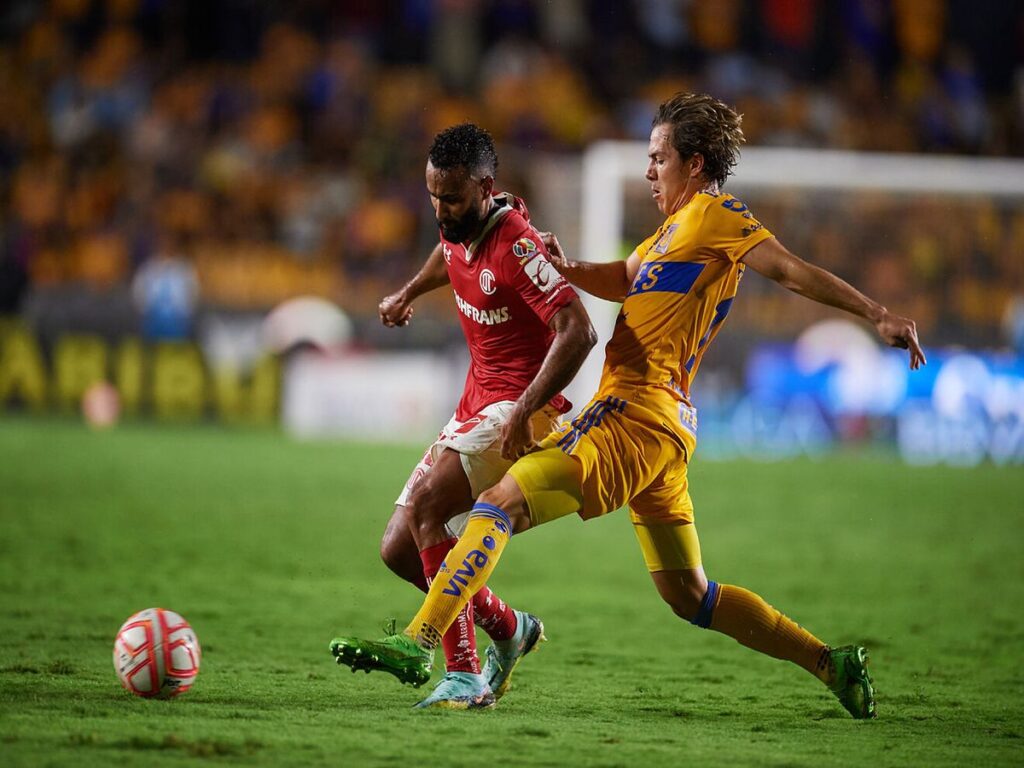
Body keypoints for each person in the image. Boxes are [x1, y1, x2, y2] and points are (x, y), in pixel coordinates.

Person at [331, 93, 926, 719]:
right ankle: (831, 662)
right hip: (664, 428)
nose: (648, 171)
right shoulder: (671, 232)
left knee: (499, 501)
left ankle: (425, 640)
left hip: (635, 413)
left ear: (695, 164)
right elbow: (624, 278)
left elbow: (790, 270)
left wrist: (876, 314)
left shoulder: (717, 215)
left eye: (658, 158)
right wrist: (566, 265)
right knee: (691, 594)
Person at [333, 123, 596, 709]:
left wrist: (526, 408)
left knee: (430, 506)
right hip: (475, 404)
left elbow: (578, 330)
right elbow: (447, 254)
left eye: (450, 198)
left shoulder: (517, 245)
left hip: (521, 408)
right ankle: (510, 628)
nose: (439, 210)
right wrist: (408, 292)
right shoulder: (458, 221)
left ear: (485, 188)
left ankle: (463, 674)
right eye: (432, 195)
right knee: (399, 549)